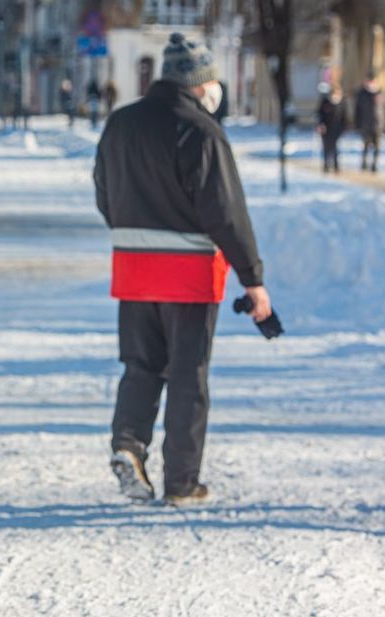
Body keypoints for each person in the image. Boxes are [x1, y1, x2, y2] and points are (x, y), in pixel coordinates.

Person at [94, 32, 271, 506]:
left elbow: (104, 194)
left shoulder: (121, 123)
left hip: (133, 270)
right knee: (189, 376)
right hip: (190, 275)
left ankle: (128, 446)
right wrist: (252, 279)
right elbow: (226, 214)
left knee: (141, 366)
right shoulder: (202, 131)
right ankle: (181, 482)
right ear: (201, 82)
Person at [354, 72, 385, 173]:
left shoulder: (380, 93)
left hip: (378, 124)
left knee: (377, 146)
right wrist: (357, 124)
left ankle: (374, 165)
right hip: (365, 124)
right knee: (366, 145)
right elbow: (357, 110)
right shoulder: (362, 93)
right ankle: (364, 163)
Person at [317, 85, 347, 173]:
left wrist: (344, 127)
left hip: (336, 129)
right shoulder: (325, 102)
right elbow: (320, 115)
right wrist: (320, 124)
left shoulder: (341, 103)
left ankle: (336, 166)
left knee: (335, 148)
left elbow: (344, 117)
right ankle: (326, 165)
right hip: (326, 129)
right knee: (326, 147)